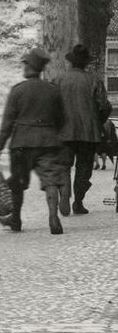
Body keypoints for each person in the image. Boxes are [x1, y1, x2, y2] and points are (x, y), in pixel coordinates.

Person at [0, 47, 69, 234]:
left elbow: (8, 122)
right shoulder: (53, 90)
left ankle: (16, 220)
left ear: (29, 67)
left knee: (18, 183)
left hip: (22, 143)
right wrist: (53, 133)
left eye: (25, 64)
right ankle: (53, 217)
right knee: (51, 180)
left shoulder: (17, 91)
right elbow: (61, 119)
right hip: (48, 142)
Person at [57, 44, 110, 214]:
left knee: (64, 166)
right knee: (84, 167)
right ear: (85, 63)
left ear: (71, 62)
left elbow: (52, 106)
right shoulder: (94, 80)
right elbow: (105, 106)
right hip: (89, 132)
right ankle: (78, 202)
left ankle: (64, 195)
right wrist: (97, 121)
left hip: (64, 131)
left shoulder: (59, 80)